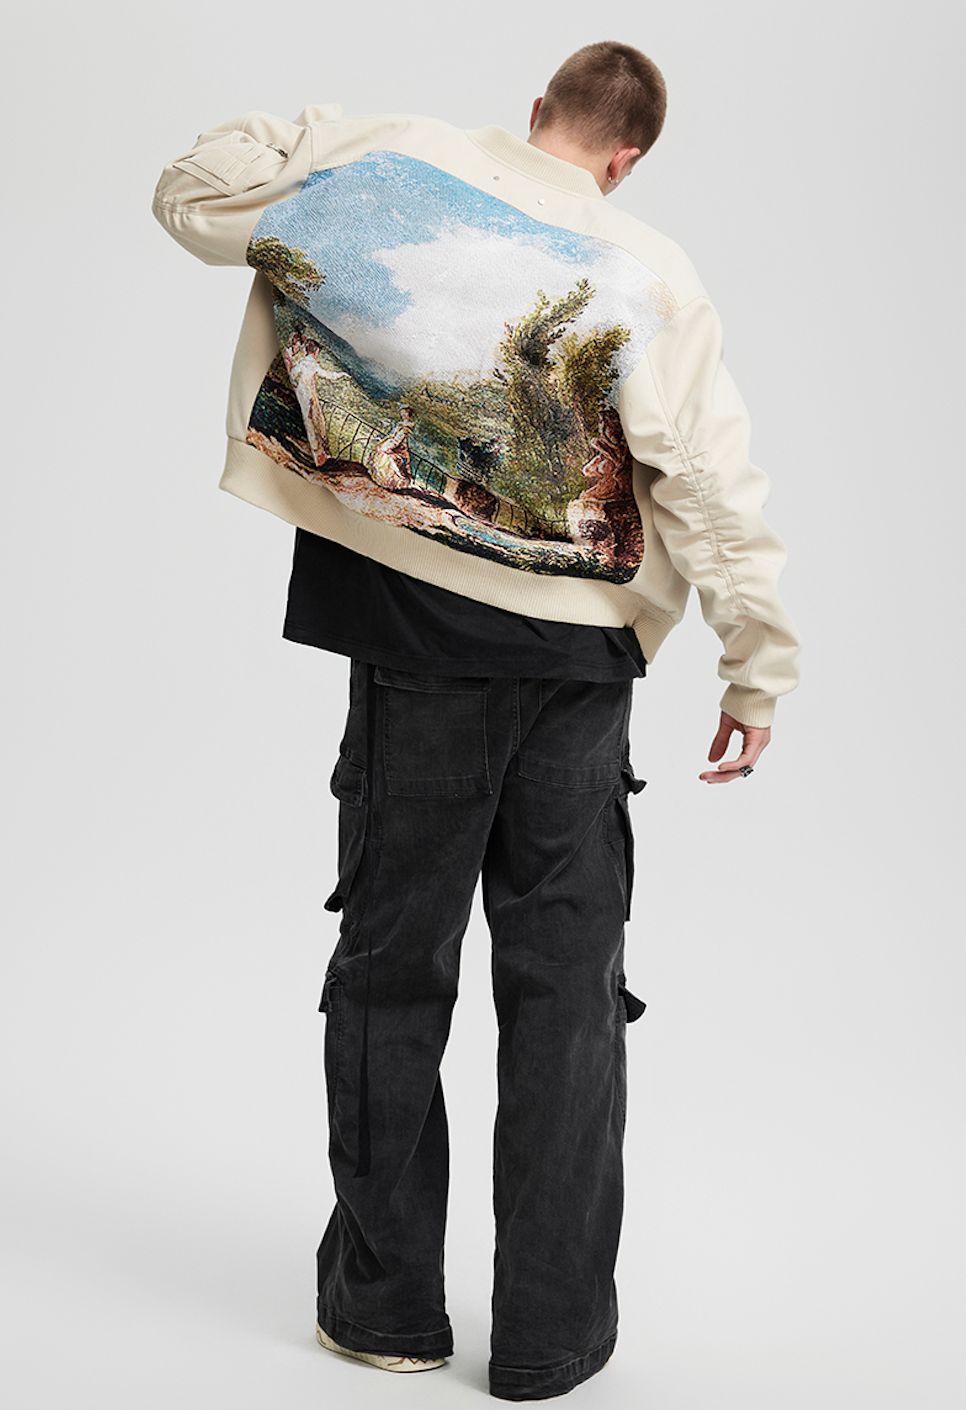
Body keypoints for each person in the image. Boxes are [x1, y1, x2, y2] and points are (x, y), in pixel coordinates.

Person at [153, 40, 800, 1400]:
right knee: (566, 995)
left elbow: (192, 194)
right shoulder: (650, 270)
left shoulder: (387, 166)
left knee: (393, 970)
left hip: (412, 649)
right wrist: (756, 666)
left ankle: (384, 1311)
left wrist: (322, 130)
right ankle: (551, 1339)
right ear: (625, 158)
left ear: (536, 111)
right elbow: (703, 481)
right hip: (577, 669)